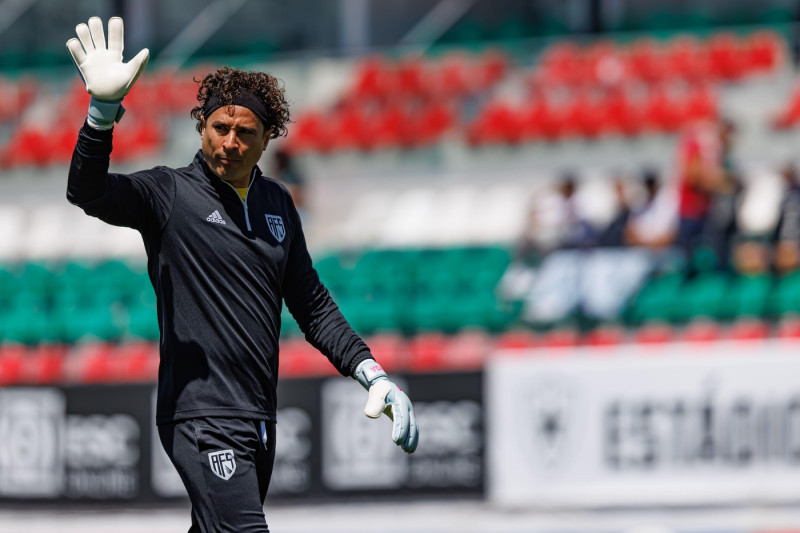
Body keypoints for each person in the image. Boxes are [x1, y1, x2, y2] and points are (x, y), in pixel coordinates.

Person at [66, 17, 418, 533]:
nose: (230, 142)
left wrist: (373, 374)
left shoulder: (278, 202)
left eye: (245, 132)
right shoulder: (168, 194)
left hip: (258, 415)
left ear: (267, 138)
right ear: (201, 128)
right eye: (219, 128)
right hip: (200, 415)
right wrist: (101, 115)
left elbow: (312, 304)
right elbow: (87, 192)